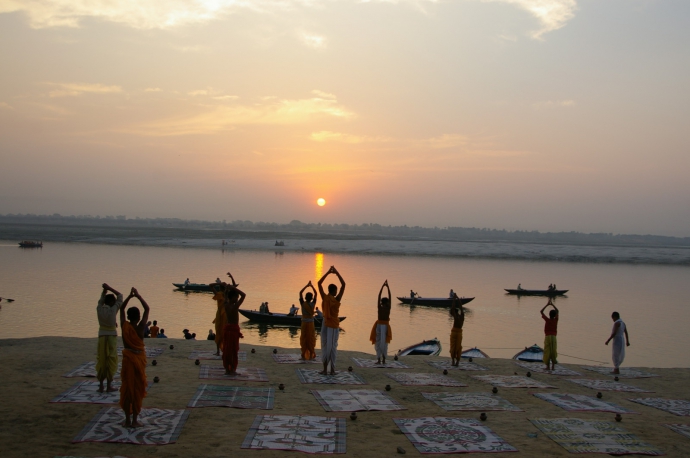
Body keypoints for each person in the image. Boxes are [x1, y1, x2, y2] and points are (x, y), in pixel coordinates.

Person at [119, 287, 149, 428]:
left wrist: (130, 297)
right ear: (138, 317)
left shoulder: (125, 325)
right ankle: (135, 419)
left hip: (128, 359)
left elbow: (121, 309)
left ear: (129, 317)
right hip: (137, 359)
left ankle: (127, 420)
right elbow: (147, 309)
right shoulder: (141, 326)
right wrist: (138, 295)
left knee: (127, 387)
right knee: (136, 388)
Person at [318, 265, 346, 375]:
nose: (337, 291)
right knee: (325, 345)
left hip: (333, 324)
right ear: (333, 291)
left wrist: (330, 272)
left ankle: (332, 370)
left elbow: (320, 284)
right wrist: (335, 272)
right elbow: (343, 284)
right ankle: (325, 369)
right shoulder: (328, 298)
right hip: (326, 323)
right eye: (336, 290)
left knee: (331, 346)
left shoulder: (332, 299)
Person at [96, 283, 123, 393]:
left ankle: (101, 385)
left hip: (102, 336)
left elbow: (100, 301)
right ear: (112, 303)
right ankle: (109, 386)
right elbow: (120, 296)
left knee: (102, 359)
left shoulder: (99, 309)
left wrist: (104, 291)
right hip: (111, 336)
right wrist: (109, 288)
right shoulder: (113, 310)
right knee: (111, 359)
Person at [222, 283, 246, 375]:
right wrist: (233, 288)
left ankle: (227, 370)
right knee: (233, 350)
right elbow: (244, 295)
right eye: (236, 297)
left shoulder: (225, 305)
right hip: (233, 330)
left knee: (227, 349)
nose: (237, 299)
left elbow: (225, 297)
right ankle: (232, 370)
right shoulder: (235, 306)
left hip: (227, 329)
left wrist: (227, 290)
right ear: (232, 298)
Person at [370, 280, 392, 365]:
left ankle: (384, 360)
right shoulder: (380, 307)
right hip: (379, 325)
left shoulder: (388, 308)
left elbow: (390, 297)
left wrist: (388, 287)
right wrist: (382, 287)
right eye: (386, 302)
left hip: (385, 326)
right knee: (378, 342)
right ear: (384, 303)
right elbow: (379, 296)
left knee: (385, 343)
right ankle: (379, 359)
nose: (387, 303)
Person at [299, 281, 318, 361]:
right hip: (310, 323)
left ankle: (303, 355)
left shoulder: (303, 304)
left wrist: (307, 285)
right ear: (311, 298)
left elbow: (300, 292)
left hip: (304, 323)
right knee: (310, 338)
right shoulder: (313, 304)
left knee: (304, 338)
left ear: (306, 298)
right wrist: (312, 286)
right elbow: (316, 293)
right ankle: (310, 355)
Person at [540, 299, 559, 371]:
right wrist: (552, 304)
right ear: (555, 315)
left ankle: (548, 366)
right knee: (553, 351)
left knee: (547, 351)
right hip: (554, 337)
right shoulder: (555, 320)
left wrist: (547, 305)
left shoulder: (547, 320)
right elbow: (558, 311)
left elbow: (541, 311)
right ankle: (553, 367)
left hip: (548, 336)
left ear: (549, 315)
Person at [449, 293, 465, 366]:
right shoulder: (456, 317)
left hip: (459, 332)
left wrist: (457, 299)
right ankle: (453, 360)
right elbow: (452, 308)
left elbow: (461, 307)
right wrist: (454, 299)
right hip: (454, 331)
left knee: (458, 347)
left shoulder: (461, 316)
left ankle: (457, 361)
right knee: (453, 346)